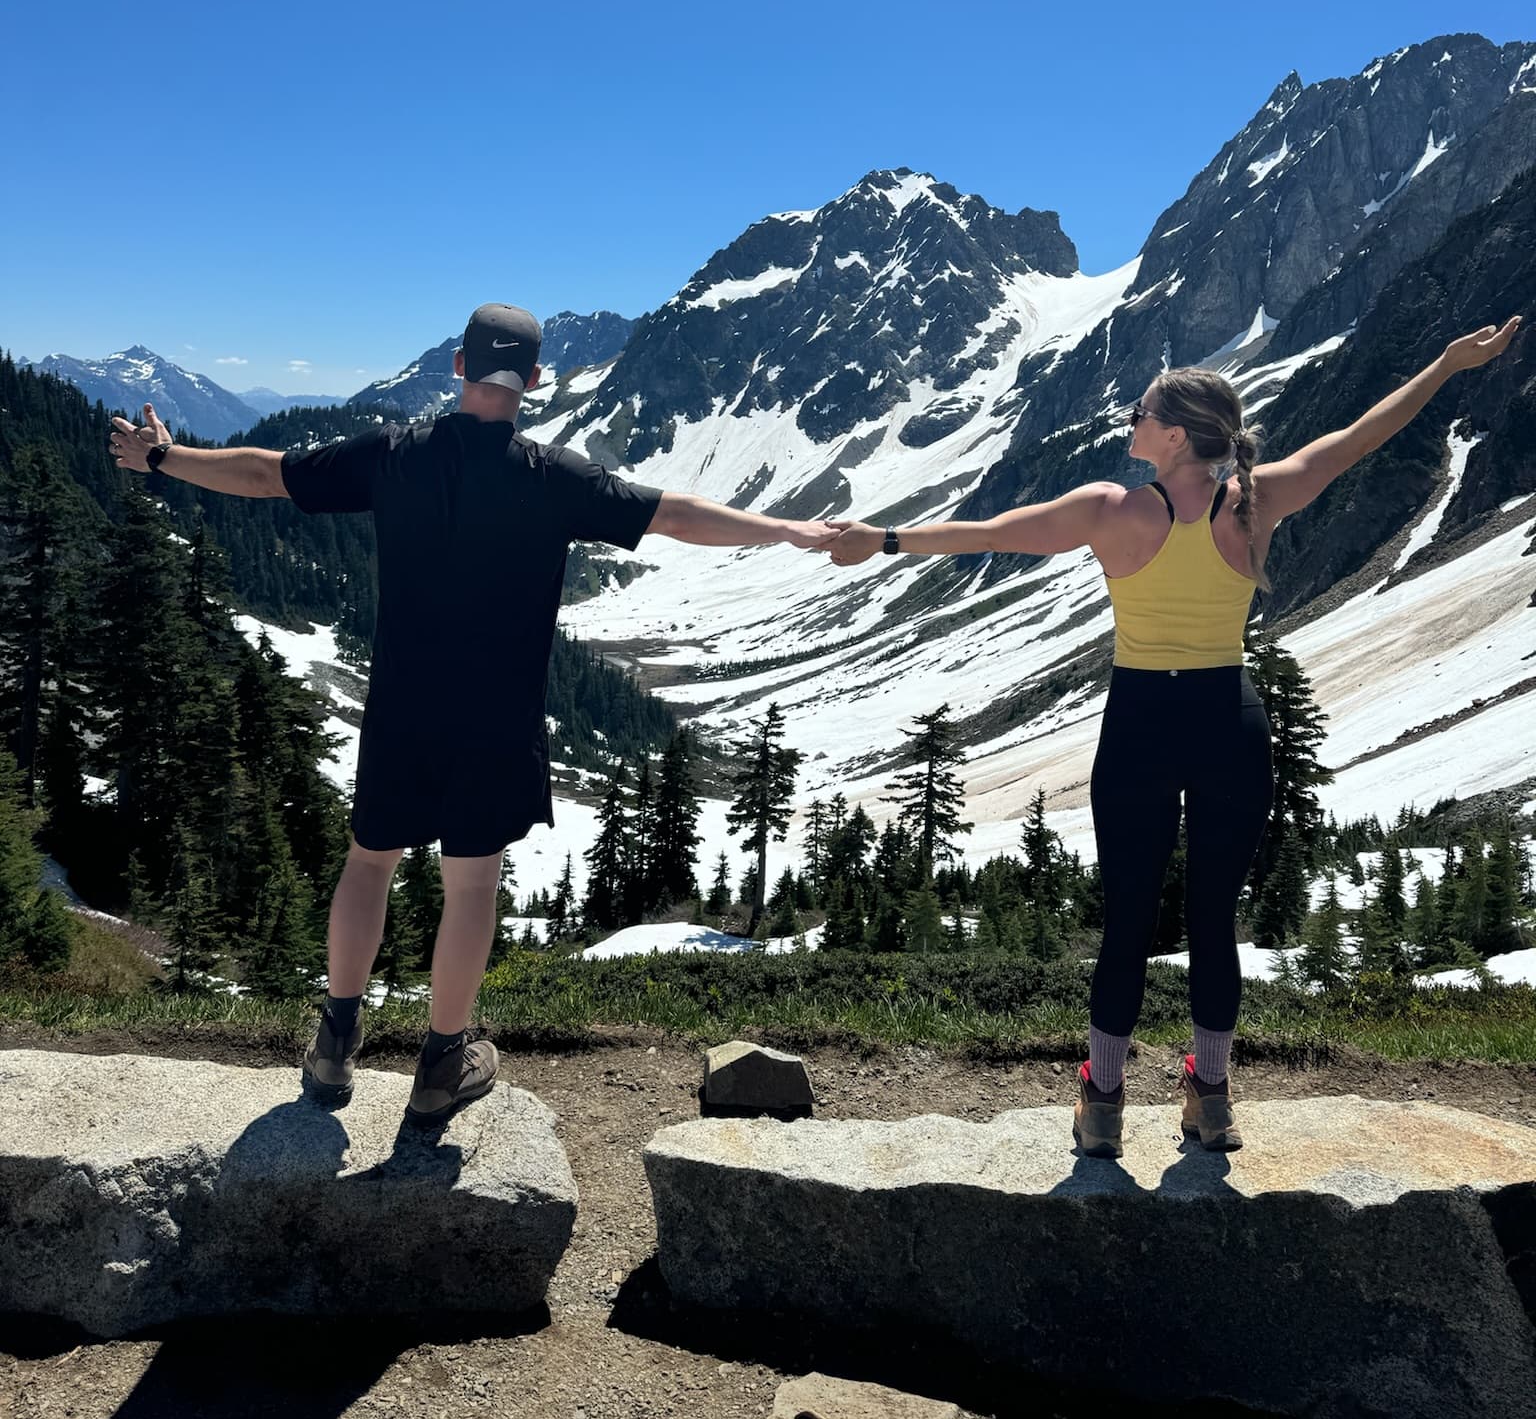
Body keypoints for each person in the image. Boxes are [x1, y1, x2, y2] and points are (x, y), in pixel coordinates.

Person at [109, 302, 834, 1123]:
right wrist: (791, 532)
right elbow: (673, 515)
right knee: (472, 886)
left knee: (369, 862)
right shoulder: (555, 477)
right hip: (495, 717)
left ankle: (334, 1046)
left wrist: (165, 457)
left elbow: (265, 473)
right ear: (532, 381)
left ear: (457, 366)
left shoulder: (392, 455)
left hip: (402, 707)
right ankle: (442, 1061)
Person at [826, 315, 1522, 1156]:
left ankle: (1105, 1106)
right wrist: (1447, 363)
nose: (1129, 416)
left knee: (1127, 921)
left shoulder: (1110, 510)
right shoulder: (1257, 501)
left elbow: (993, 532)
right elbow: (1360, 437)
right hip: (1230, 721)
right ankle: (1212, 1098)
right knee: (1213, 920)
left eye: (1142, 409)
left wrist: (884, 539)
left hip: (1141, 725)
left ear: (1176, 433)